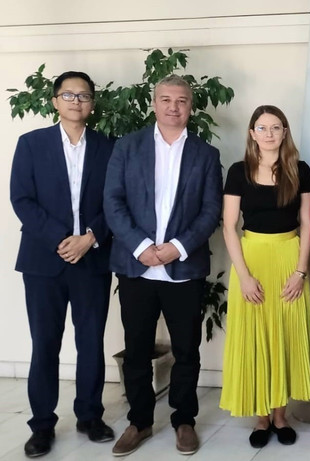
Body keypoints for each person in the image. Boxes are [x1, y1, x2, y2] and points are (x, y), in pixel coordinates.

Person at [103, 75, 222, 457]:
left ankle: (184, 420)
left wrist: (177, 247)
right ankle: (139, 422)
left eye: (182, 100)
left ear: (191, 106)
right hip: (135, 265)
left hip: (183, 268)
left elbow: (210, 211)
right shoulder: (127, 146)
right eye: (166, 99)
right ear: (153, 103)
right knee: (136, 349)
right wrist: (141, 246)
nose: (174, 106)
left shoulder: (206, 154)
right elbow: (113, 202)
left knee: (187, 349)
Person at [10, 71, 115, 458]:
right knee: (45, 345)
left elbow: (115, 202)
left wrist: (90, 237)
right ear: (55, 101)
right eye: (68, 95)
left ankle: (90, 416)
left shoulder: (108, 146)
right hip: (43, 262)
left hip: (93, 259)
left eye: (84, 95)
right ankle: (41, 426)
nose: (76, 101)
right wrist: (60, 239)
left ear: (92, 103)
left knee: (90, 343)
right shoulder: (31, 144)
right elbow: (21, 199)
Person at [219, 105, 310, 448]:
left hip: (290, 258)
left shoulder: (300, 170)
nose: (269, 134)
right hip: (251, 259)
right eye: (262, 128)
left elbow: (307, 223)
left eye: (276, 127)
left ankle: (280, 415)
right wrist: (244, 276)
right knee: (256, 336)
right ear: (252, 133)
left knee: (285, 336)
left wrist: (301, 271)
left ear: (284, 131)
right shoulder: (238, 171)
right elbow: (229, 226)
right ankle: (261, 416)